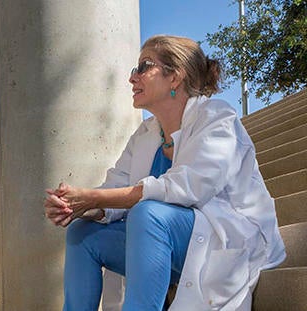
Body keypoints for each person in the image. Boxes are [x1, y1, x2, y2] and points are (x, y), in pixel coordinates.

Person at [44, 35, 286, 311]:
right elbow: (114, 190)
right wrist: (80, 207)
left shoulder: (217, 118)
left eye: (143, 67)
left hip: (224, 242)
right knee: (82, 233)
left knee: (148, 213)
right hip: (162, 247)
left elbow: (191, 187)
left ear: (175, 78)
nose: (132, 78)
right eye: (134, 70)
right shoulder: (145, 134)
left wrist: (95, 197)